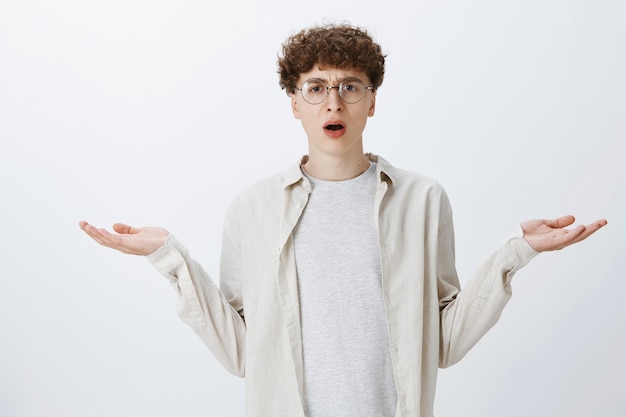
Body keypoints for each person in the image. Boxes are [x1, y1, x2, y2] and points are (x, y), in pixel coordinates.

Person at [79, 23, 607, 417]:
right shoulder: (252, 208)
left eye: (351, 86)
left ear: (371, 100)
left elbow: (442, 343)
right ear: (295, 102)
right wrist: (168, 256)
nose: (334, 101)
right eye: (316, 87)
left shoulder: (423, 199)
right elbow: (244, 354)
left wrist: (517, 252)